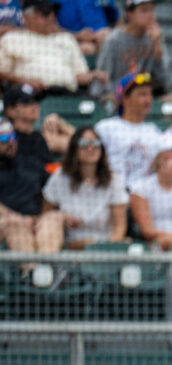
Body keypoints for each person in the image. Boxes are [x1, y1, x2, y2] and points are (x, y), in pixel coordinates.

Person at [41, 125, 128, 248]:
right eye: (84, 143)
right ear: (74, 149)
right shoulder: (60, 177)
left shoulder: (113, 180)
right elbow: (46, 216)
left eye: (96, 143)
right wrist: (63, 218)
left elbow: (120, 228)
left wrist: (103, 246)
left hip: (105, 246)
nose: (91, 148)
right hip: (68, 245)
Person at [1, 97, 64, 260]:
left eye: (12, 137)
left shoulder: (31, 163)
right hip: (7, 221)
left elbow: (50, 192)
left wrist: (40, 218)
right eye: (3, 139)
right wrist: (15, 218)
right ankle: (29, 274)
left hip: (33, 220)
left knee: (53, 219)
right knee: (16, 226)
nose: (10, 143)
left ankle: (46, 272)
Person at [95, 71, 172, 189]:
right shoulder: (106, 127)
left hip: (144, 197)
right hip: (113, 193)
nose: (148, 100)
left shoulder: (153, 131)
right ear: (125, 98)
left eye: (150, 94)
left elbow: (165, 158)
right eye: (142, 94)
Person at [0, 0, 104, 94]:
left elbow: (80, 75)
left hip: (67, 94)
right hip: (31, 95)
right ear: (27, 17)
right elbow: (2, 74)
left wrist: (93, 76)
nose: (52, 17)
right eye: (45, 14)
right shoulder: (12, 39)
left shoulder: (66, 39)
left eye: (53, 12)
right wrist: (23, 81)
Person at [95, 0, 166, 94]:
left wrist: (157, 46)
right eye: (144, 10)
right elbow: (102, 80)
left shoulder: (154, 37)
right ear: (129, 14)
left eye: (152, 10)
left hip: (146, 96)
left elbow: (162, 82)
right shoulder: (113, 40)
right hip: (118, 96)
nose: (150, 15)